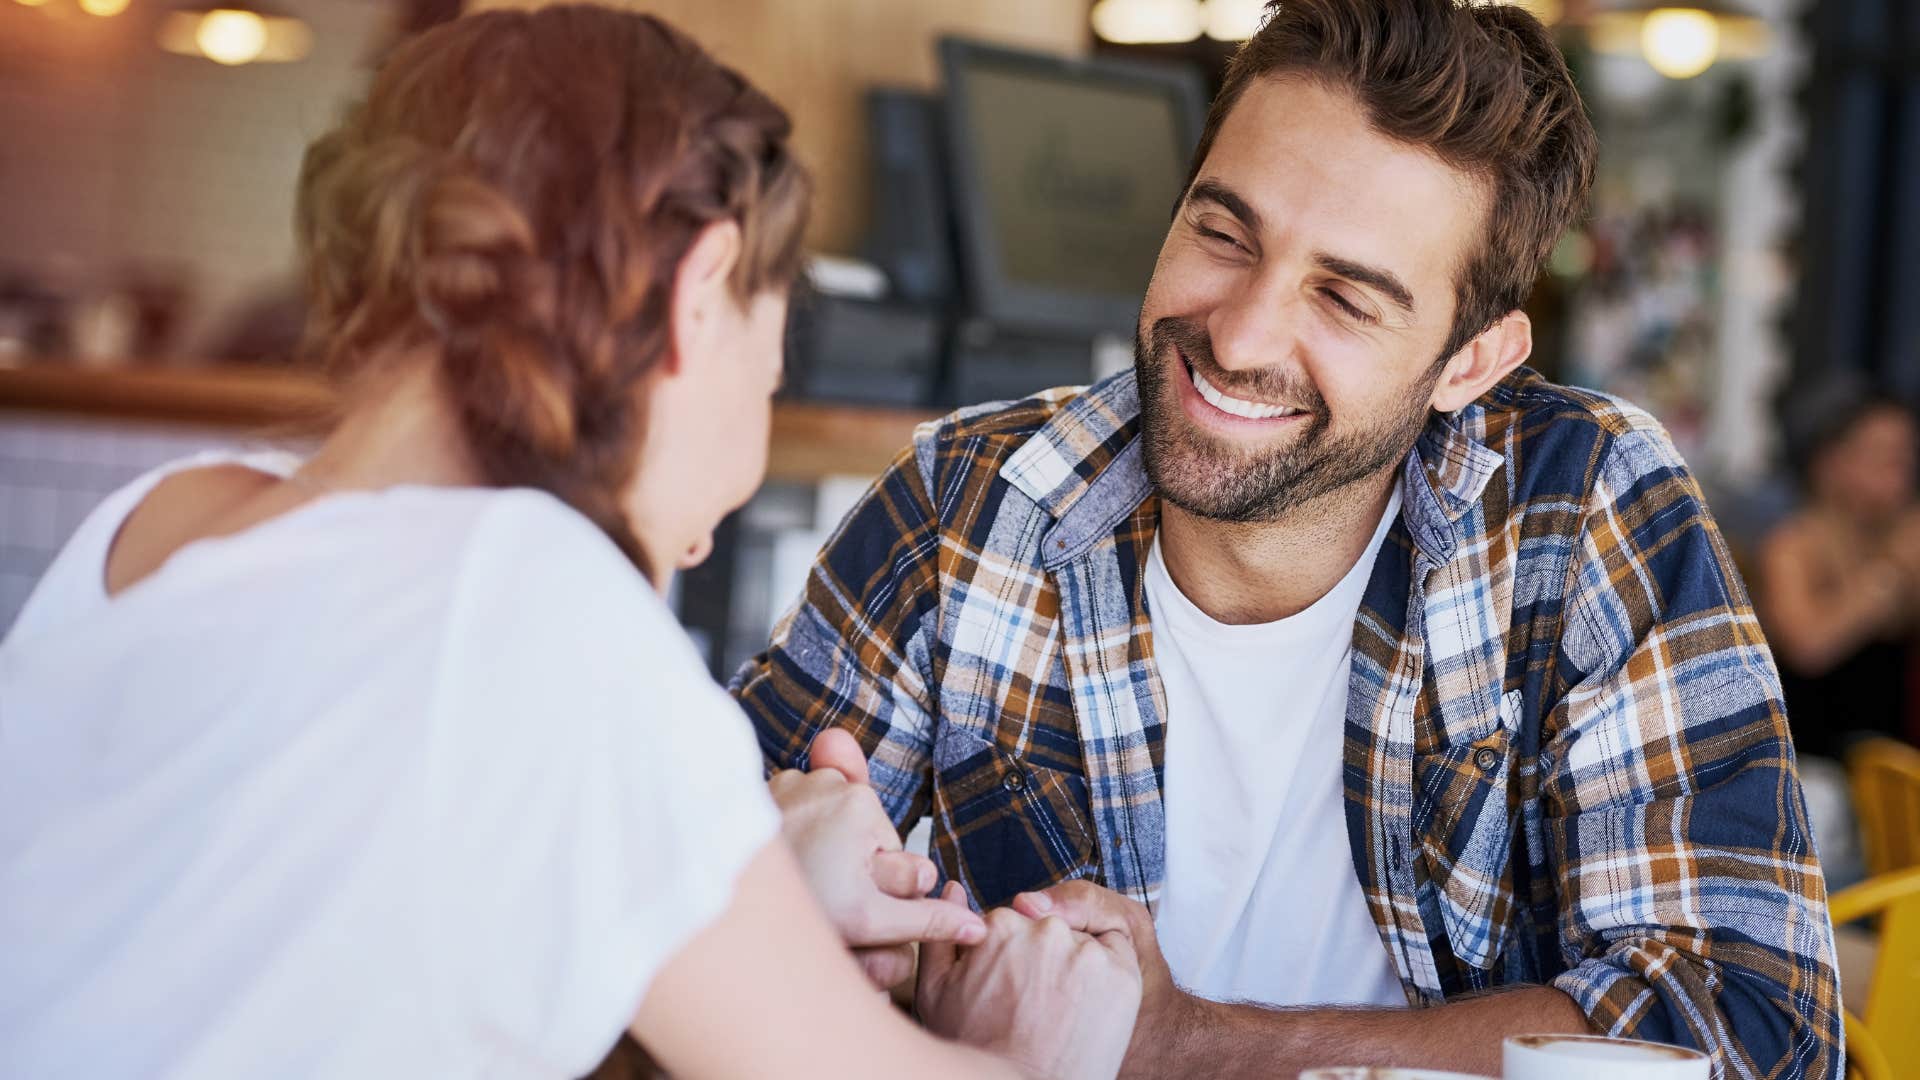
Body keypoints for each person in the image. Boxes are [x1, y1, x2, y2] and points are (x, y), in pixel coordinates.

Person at [0, 8, 1140, 1079]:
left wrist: (751, 884)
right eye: (767, 379)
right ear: (701, 291)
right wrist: (1032, 1039)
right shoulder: (538, 603)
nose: (700, 541)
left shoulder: (160, 521)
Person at [733, 0, 1841, 1076]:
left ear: (1470, 363)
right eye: (1224, 234)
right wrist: (807, 907)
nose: (1242, 334)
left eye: (1345, 299)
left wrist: (1183, 1044)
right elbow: (685, 921)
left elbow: (1751, 1027)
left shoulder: (1582, 505)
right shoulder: (968, 502)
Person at [1758, 380, 1920, 759]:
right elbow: (1808, 647)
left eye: (1907, 457)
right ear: (1831, 464)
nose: (1900, 473)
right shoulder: (1792, 547)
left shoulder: (1902, 534)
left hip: (1891, 759)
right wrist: (1889, 575)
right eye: (1883, 457)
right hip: (1810, 761)